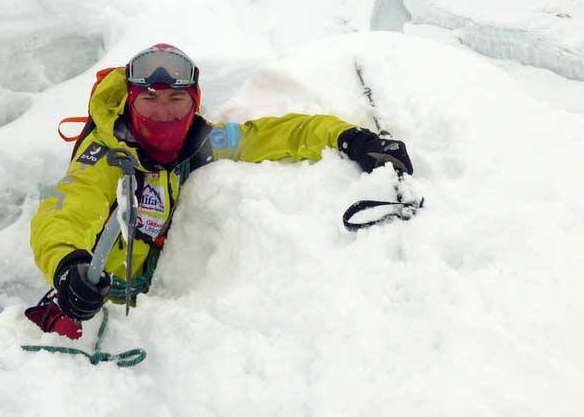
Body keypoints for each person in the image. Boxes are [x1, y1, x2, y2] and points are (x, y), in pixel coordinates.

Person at [26, 43, 412, 337]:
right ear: (131, 103)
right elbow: (63, 213)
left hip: (150, 291)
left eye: (176, 101)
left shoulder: (197, 140)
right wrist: (67, 270)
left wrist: (350, 138)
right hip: (97, 301)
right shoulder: (105, 158)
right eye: (149, 101)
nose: (163, 114)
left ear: (193, 103)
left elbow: (274, 135)